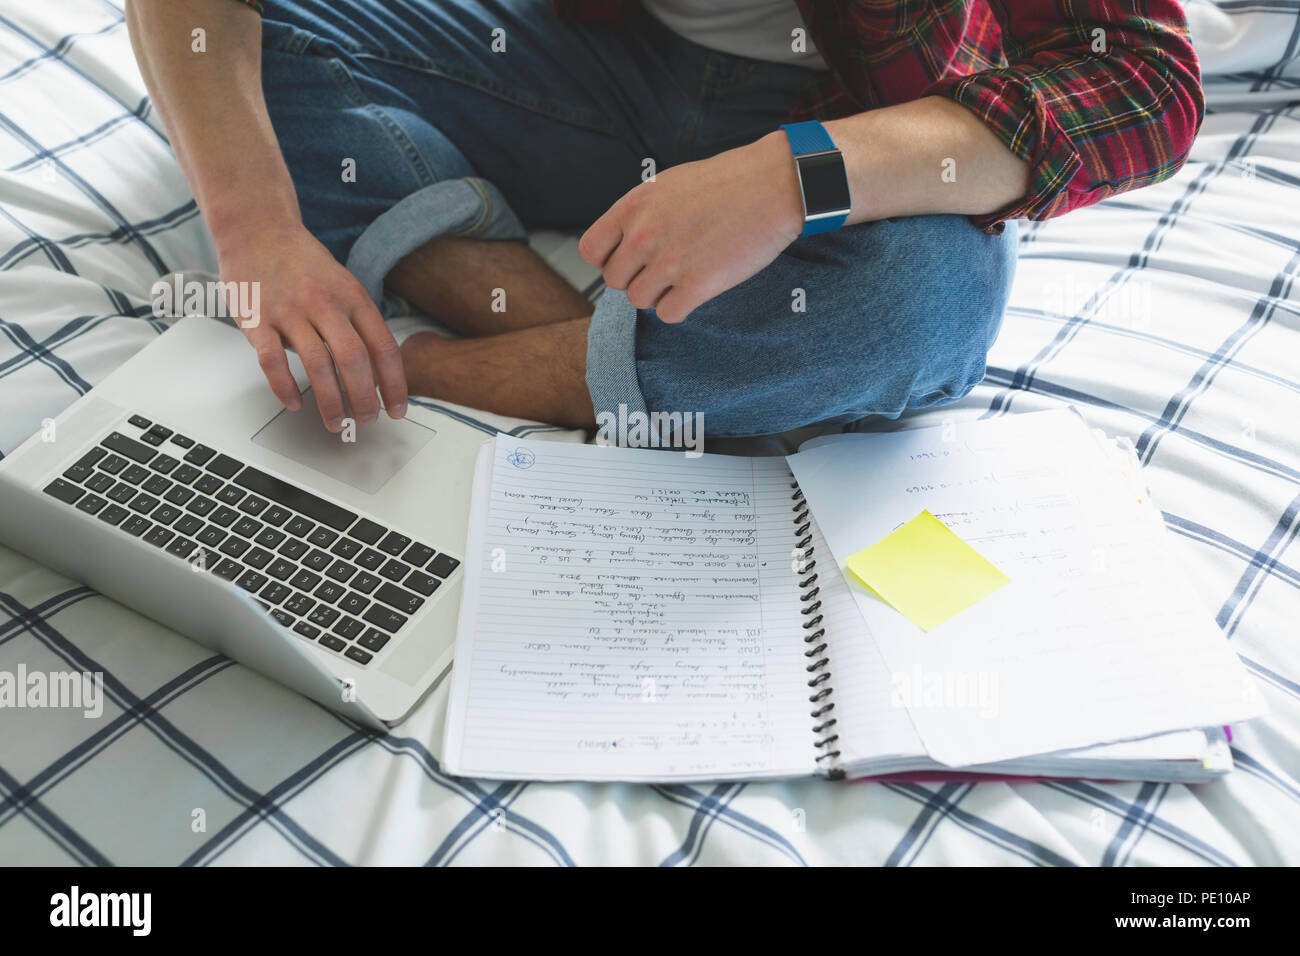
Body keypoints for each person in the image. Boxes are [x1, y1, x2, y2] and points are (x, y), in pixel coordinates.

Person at [125, 0, 1203, 438]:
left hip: (846, 117)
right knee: (243, 69)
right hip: (575, 58)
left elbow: (1147, 82)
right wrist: (258, 231)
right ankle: (608, 354)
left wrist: (794, 177)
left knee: (913, 306)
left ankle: (421, 374)